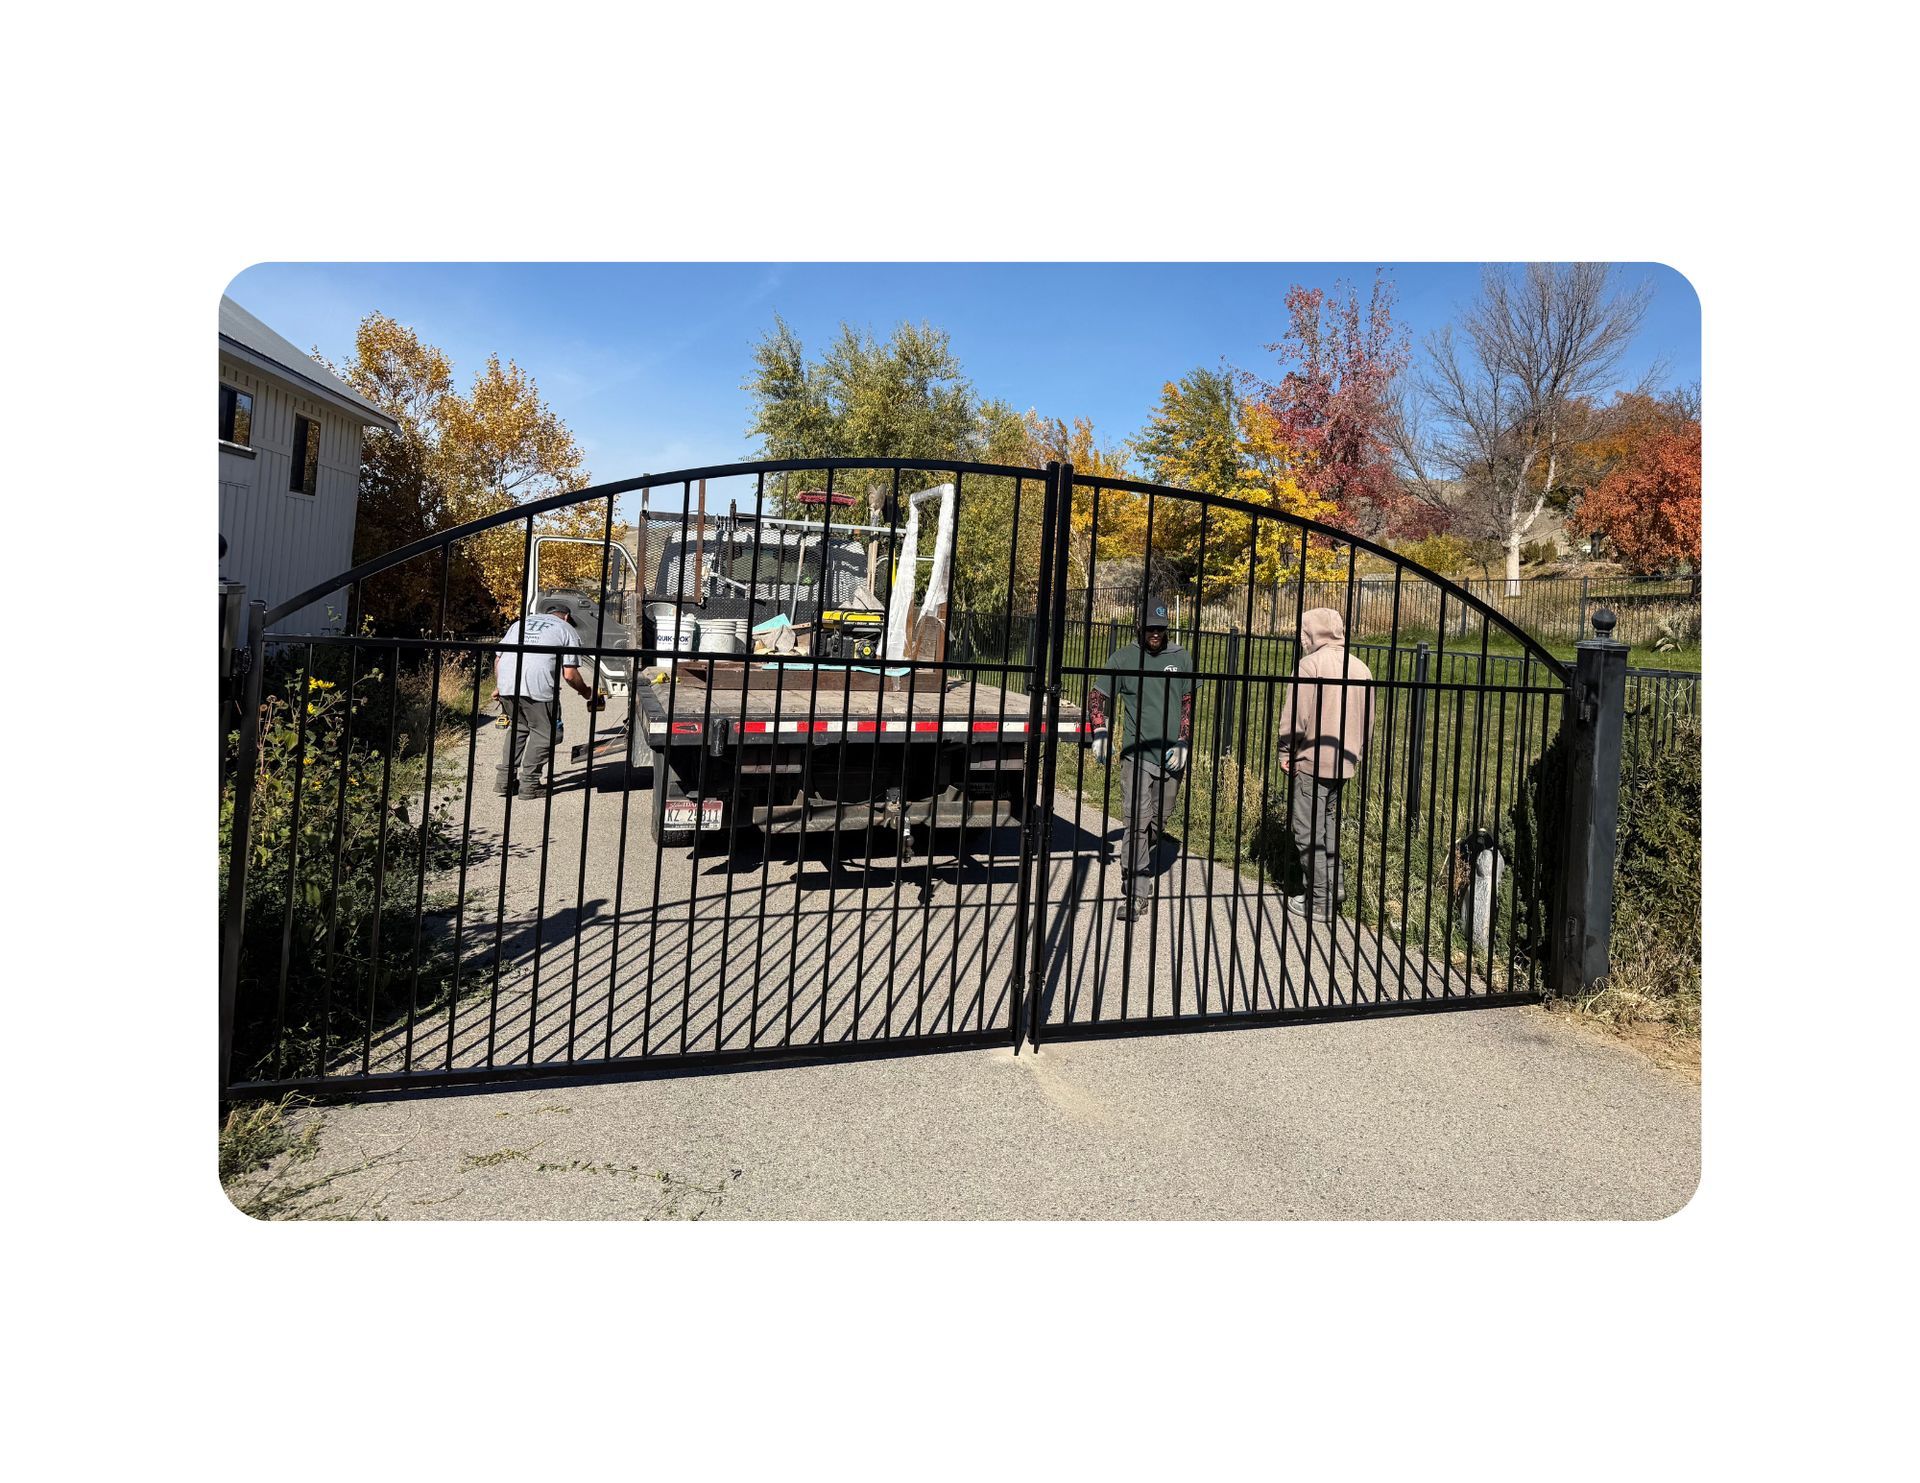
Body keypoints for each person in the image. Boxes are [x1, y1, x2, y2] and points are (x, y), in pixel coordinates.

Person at [1087, 598, 1194, 922]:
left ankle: (1135, 864)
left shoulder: (1181, 657)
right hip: (1136, 754)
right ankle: (1136, 891)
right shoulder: (1124, 658)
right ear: (1139, 627)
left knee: (1158, 821)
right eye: (1150, 628)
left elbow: (1188, 702)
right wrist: (1100, 730)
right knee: (1137, 821)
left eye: (1160, 628)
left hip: (1171, 756)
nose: (1155, 634)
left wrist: (1184, 741)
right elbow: (1098, 696)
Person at [1274, 607, 1374, 922]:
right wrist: (1358, 752)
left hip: (1312, 760)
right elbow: (1369, 720)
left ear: (1312, 632)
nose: (1302, 638)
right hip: (1344, 761)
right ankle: (1334, 885)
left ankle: (1319, 900)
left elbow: (1296, 717)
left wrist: (1286, 751)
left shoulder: (1310, 666)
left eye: (1304, 632)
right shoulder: (1360, 668)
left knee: (1307, 831)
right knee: (1328, 824)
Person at [494, 597, 602, 800]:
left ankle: (505, 781)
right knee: (548, 734)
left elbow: (499, 657)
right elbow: (569, 674)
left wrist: (499, 686)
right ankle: (530, 785)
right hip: (537, 688)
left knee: (519, 728)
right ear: (566, 617)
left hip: (508, 685)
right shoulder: (565, 628)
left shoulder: (520, 623)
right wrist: (586, 692)